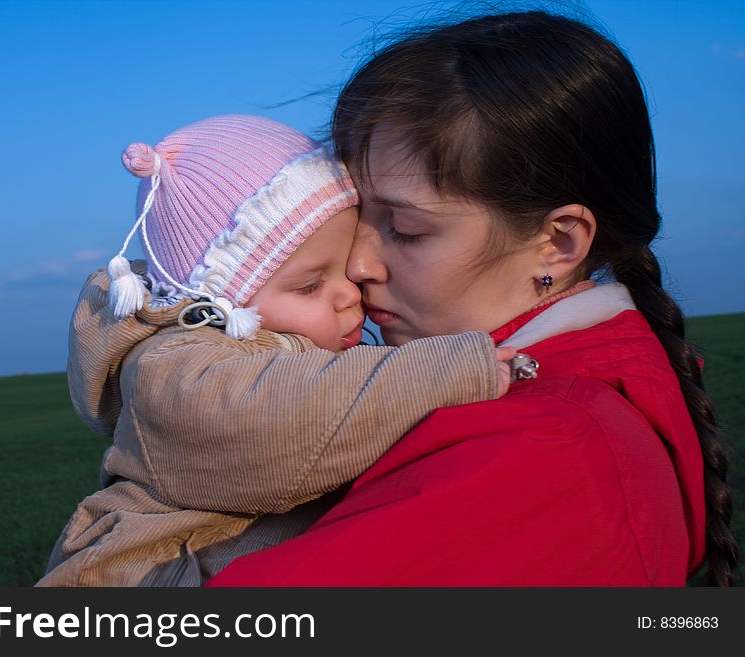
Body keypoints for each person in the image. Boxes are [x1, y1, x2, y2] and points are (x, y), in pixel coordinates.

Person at [207, 11, 738, 586]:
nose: (358, 265)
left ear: (558, 243)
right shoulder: (549, 406)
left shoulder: (544, 452)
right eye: (358, 217)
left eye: (406, 229)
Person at [38, 115, 515, 587]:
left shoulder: (285, 351)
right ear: (220, 303)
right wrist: (449, 371)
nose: (351, 294)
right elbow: (278, 419)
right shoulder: (174, 369)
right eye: (310, 285)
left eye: (344, 269)